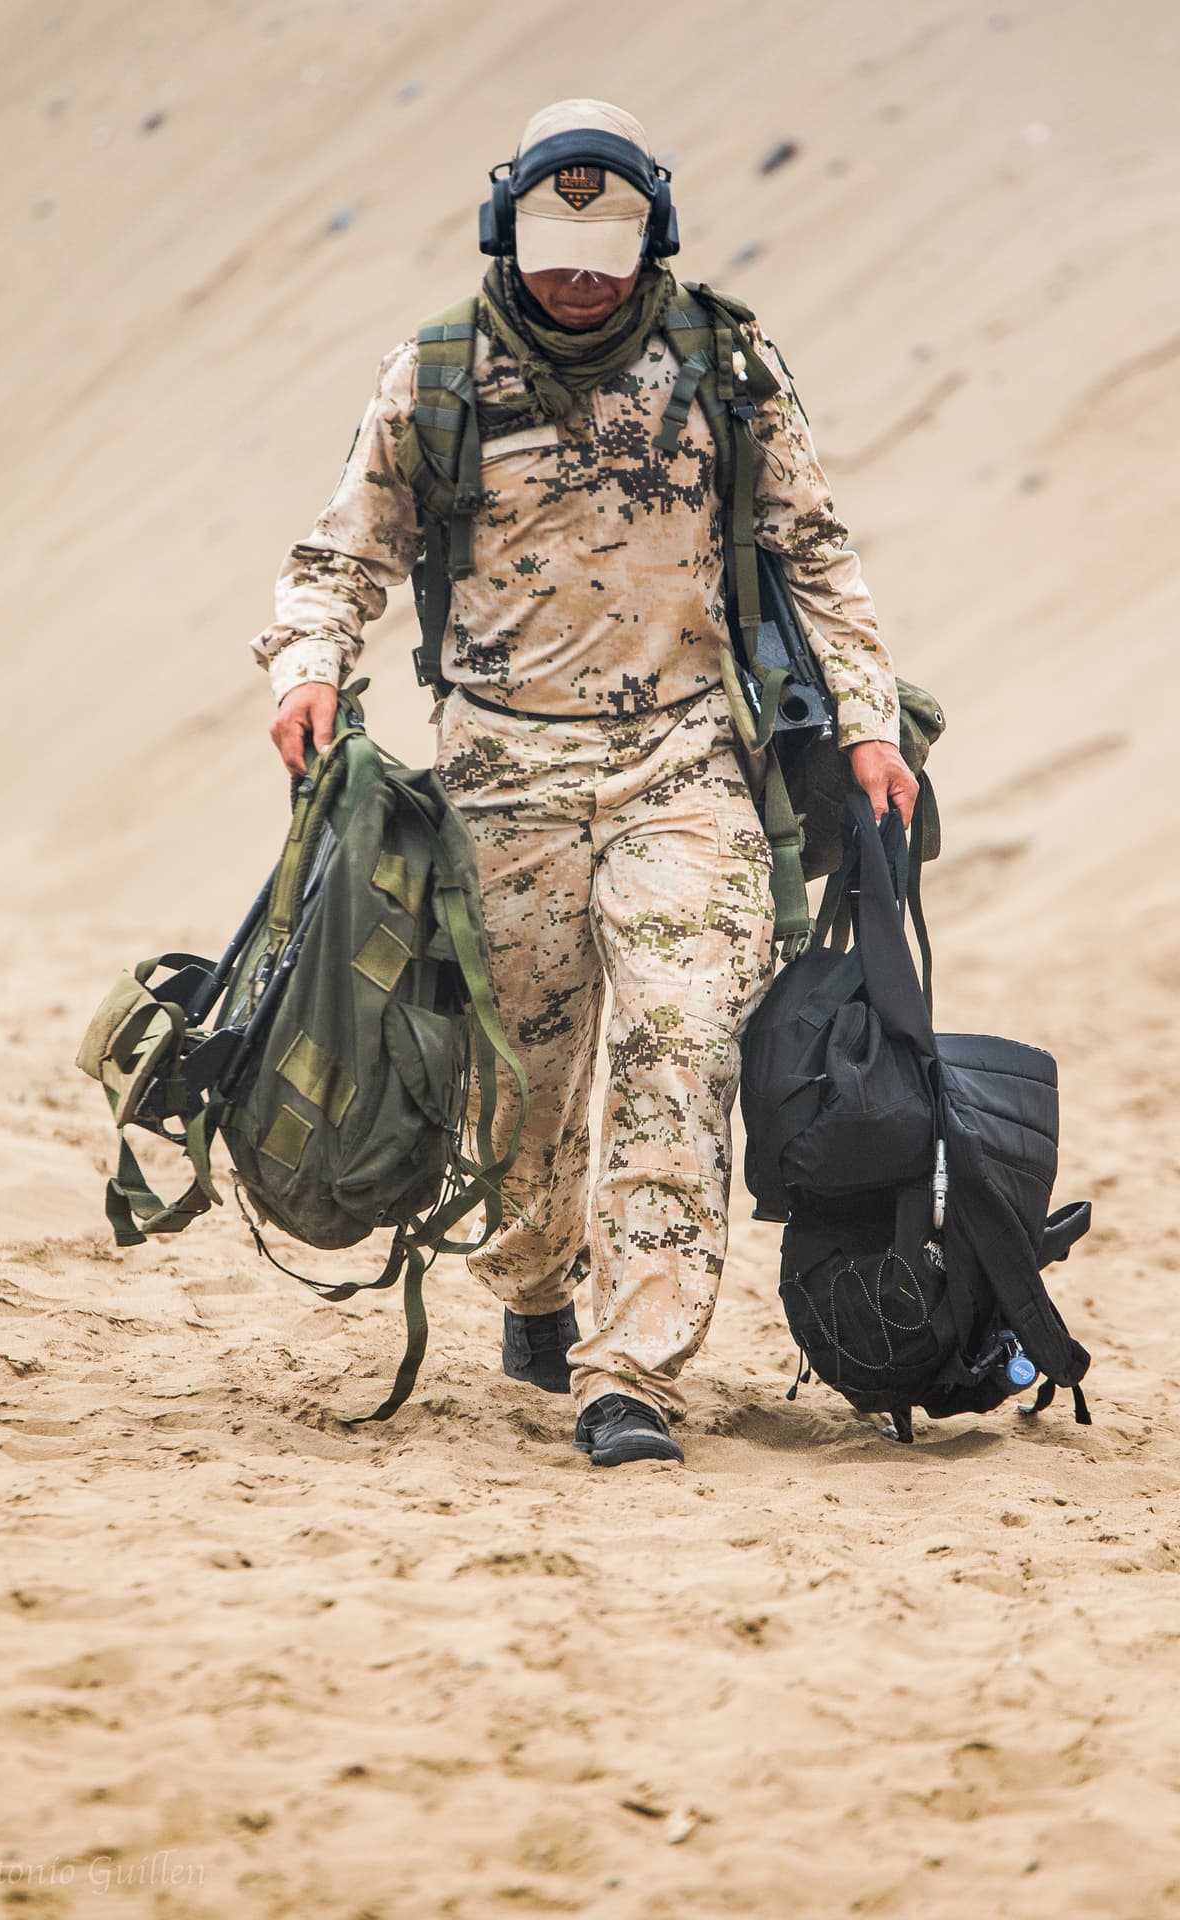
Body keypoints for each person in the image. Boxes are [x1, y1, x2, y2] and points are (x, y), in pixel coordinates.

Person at [252, 99, 917, 1468]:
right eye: (553, 253)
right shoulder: (437, 376)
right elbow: (342, 555)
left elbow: (818, 555)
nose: (576, 280)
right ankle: (537, 1285)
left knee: (681, 1044)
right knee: (526, 1087)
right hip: (503, 776)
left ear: (650, 238)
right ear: (505, 233)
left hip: (689, 764)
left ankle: (632, 1372)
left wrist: (869, 726)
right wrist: (308, 669)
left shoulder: (726, 364)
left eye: (603, 256)